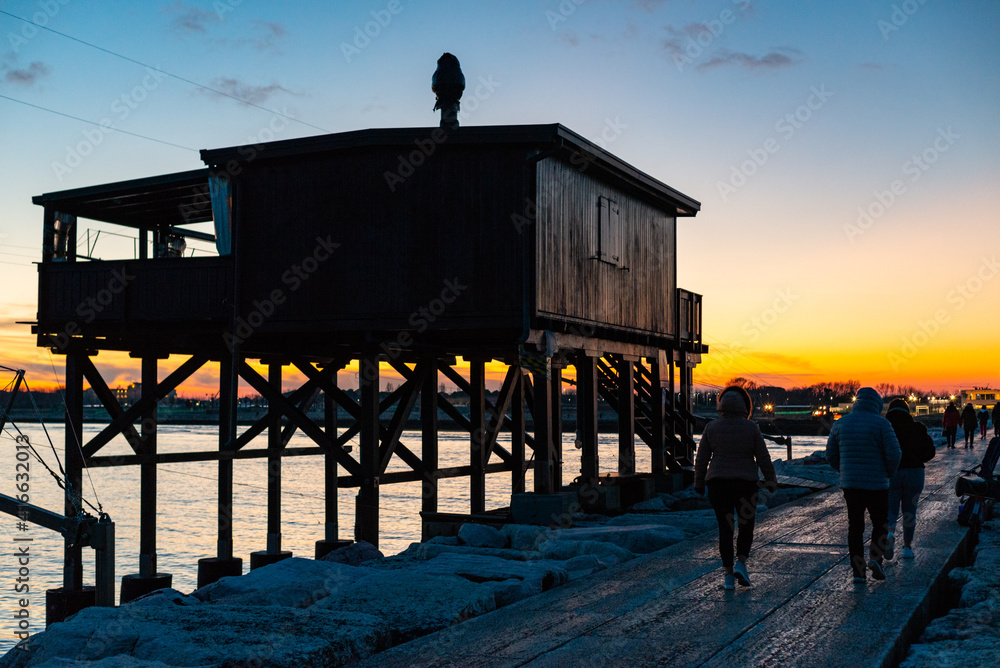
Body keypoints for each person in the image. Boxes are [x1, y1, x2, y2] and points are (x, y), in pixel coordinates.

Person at [694, 386, 777, 591]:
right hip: (746, 484)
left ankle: (728, 577)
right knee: (746, 525)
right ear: (744, 406)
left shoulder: (711, 428)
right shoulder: (751, 428)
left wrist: (698, 483)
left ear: (721, 406)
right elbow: (763, 457)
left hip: (717, 484)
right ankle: (741, 562)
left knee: (725, 528)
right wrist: (770, 479)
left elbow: (701, 459)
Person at [826, 387, 901, 583]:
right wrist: (889, 473)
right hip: (877, 484)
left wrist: (844, 471)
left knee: (855, 526)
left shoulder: (840, 423)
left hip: (851, 485)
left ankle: (858, 572)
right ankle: (875, 559)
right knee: (880, 523)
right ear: (876, 404)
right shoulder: (882, 424)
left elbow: (830, 455)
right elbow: (895, 454)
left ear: (856, 402)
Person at [884, 399, 935, 560]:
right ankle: (907, 547)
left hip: (892, 472)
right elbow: (930, 451)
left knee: (890, 509)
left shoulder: (885, 428)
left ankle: (890, 534)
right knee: (910, 511)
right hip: (915, 473)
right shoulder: (918, 428)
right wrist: (919, 458)